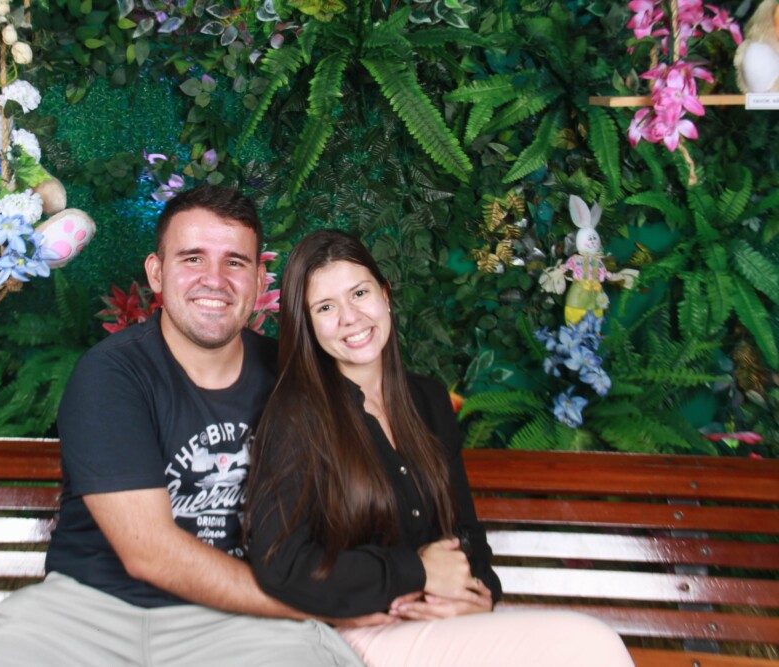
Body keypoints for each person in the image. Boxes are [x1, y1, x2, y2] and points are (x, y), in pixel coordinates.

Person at [0, 187, 368, 666]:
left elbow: (372, 481)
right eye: (193, 258)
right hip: (87, 612)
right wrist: (315, 603)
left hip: (240, 620)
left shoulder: (294, 376)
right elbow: (150, 553)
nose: (215, 280)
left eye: (235, 262)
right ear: (156, 273)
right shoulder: (112, 374)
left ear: (260, 280)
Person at [245, 229, 635, 667]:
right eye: (325, 307)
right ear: (308, 324)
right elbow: (281, 562)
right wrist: (417, 572)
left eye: (359, 293)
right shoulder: (296, 415)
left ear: (385, 294)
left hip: (441, 626)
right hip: (355, 634)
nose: (350, 317)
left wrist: (478, 595)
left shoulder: (428, 400)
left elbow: (465, 531)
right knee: (589, 645)